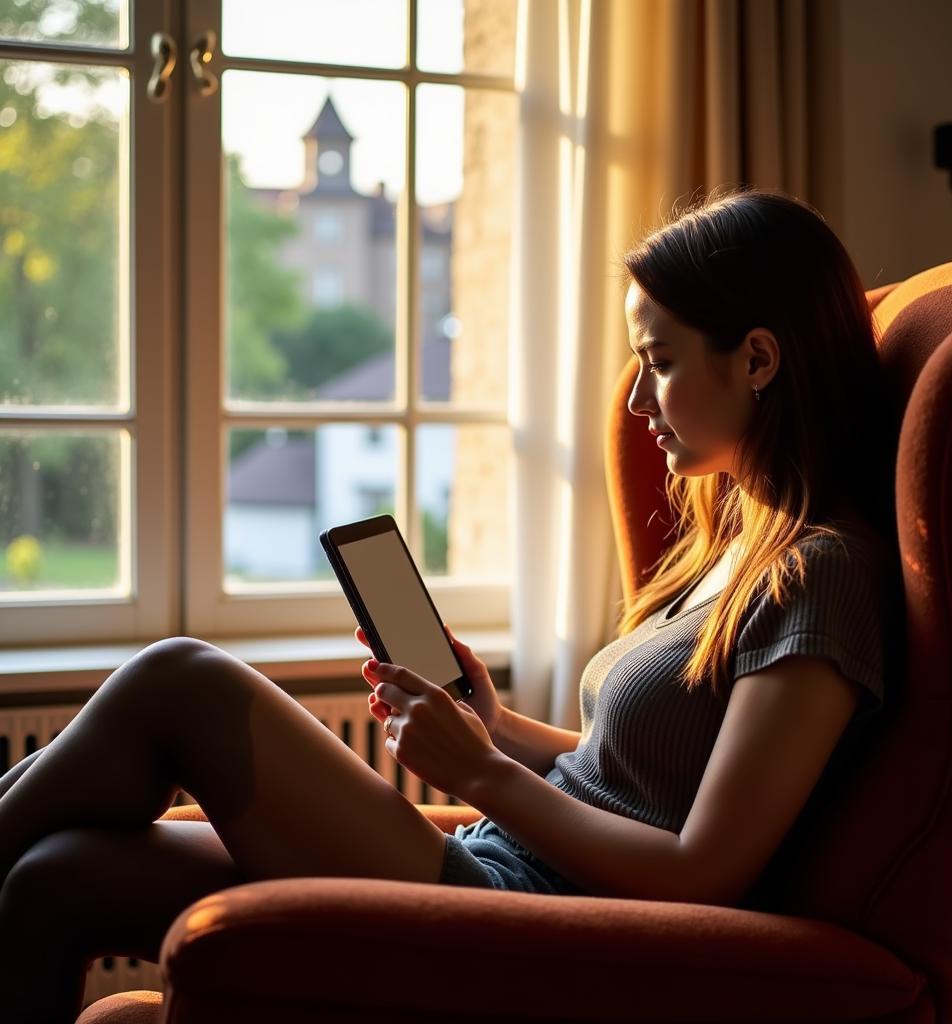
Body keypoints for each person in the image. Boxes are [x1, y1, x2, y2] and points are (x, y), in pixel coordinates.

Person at [0, 184, 902, 1021]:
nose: (635, 400)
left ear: (756, 359)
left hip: (534, 924)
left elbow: (703, 870)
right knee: (56, 876)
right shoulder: (737, 546)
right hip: (501, 860)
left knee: (181, 679)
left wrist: (480, 774)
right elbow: (636, 777)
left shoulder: (821, 578)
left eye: (658, 362)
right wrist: (496, 725)